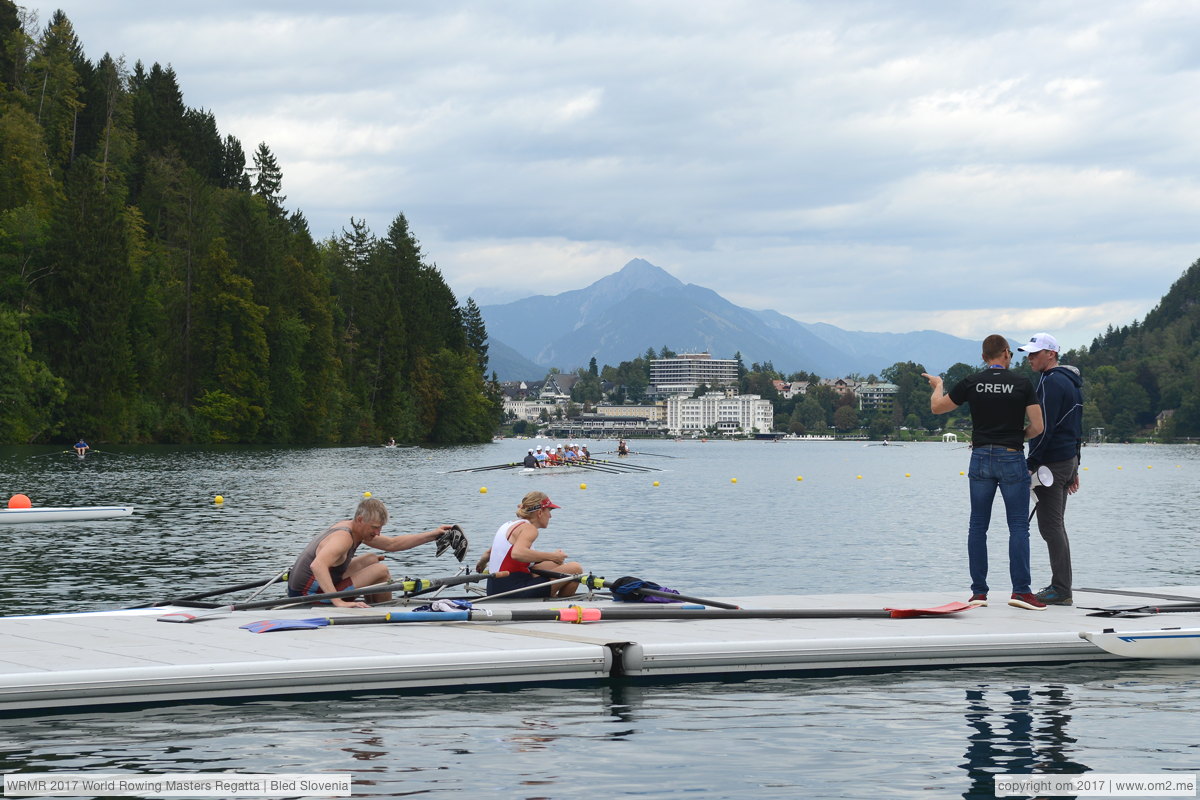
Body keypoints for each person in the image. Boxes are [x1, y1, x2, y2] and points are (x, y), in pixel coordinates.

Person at [923, 334, 1045, 610]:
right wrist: (1017, 437)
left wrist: (939, 384)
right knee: (1018, 526)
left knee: (978, 525)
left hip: (980, 457)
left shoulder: (972, 382)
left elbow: (936, 407)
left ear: (983, 357)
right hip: (1012, 456)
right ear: (1005, 353)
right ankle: (1021, 592)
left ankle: (979, 593)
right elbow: (1038, 426)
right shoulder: (1021, 383)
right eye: (1011, 353)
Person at [287, 498, 454, 607]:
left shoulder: (354, 528)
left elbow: (393, 544)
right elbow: (317, 565)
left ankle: (370, 604)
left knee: (371, 559)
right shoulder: (343, 538)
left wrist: (433, 534)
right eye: (375, 528)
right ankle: (384, 609)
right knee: (381, 571)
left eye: (380, 528)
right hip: (306, 598)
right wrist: (339, 602)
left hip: (302, 590)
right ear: (360, 520)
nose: (378, 533)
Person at [1017, 332, 1084, 606]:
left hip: (1051, 464)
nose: (1030, 358)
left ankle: (1061, 589)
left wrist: (1030, 464)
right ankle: (1062, 586)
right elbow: (1076, 426)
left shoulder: (1051, 382)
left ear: (1051, 354)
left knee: (1050, 526)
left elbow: (1045, 427)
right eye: (1029, 353)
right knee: (1056, 525)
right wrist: (1076, 465)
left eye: (1035, 353)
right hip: (1066, 461)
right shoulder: (1071, 382)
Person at [474, 491, 583, 598]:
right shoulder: (529, 529)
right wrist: (553, 556)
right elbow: (517, 554)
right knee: (575, 568)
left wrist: (481, 565)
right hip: (512, 590)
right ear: (540, 512)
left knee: (555, 565)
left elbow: (488, 554)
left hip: (494, 588)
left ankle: (552, 597)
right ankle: (560, 606)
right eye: (549, 511)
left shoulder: (508, 525)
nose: (550, 516)